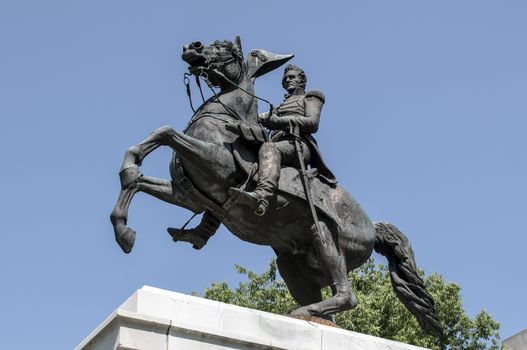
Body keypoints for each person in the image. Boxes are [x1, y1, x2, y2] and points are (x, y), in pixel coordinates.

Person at [232, 64, 335, 216]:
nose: (288, 80)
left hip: (297, 145)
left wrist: (277, 122)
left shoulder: (311, 97)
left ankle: (263, 195)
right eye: (286, 78)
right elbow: (259, 119)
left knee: (269, 148)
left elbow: (312, 123)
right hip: (279, 143)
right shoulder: (278, 107)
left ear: (301, 81)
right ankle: (207, 227)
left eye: (292, 77)